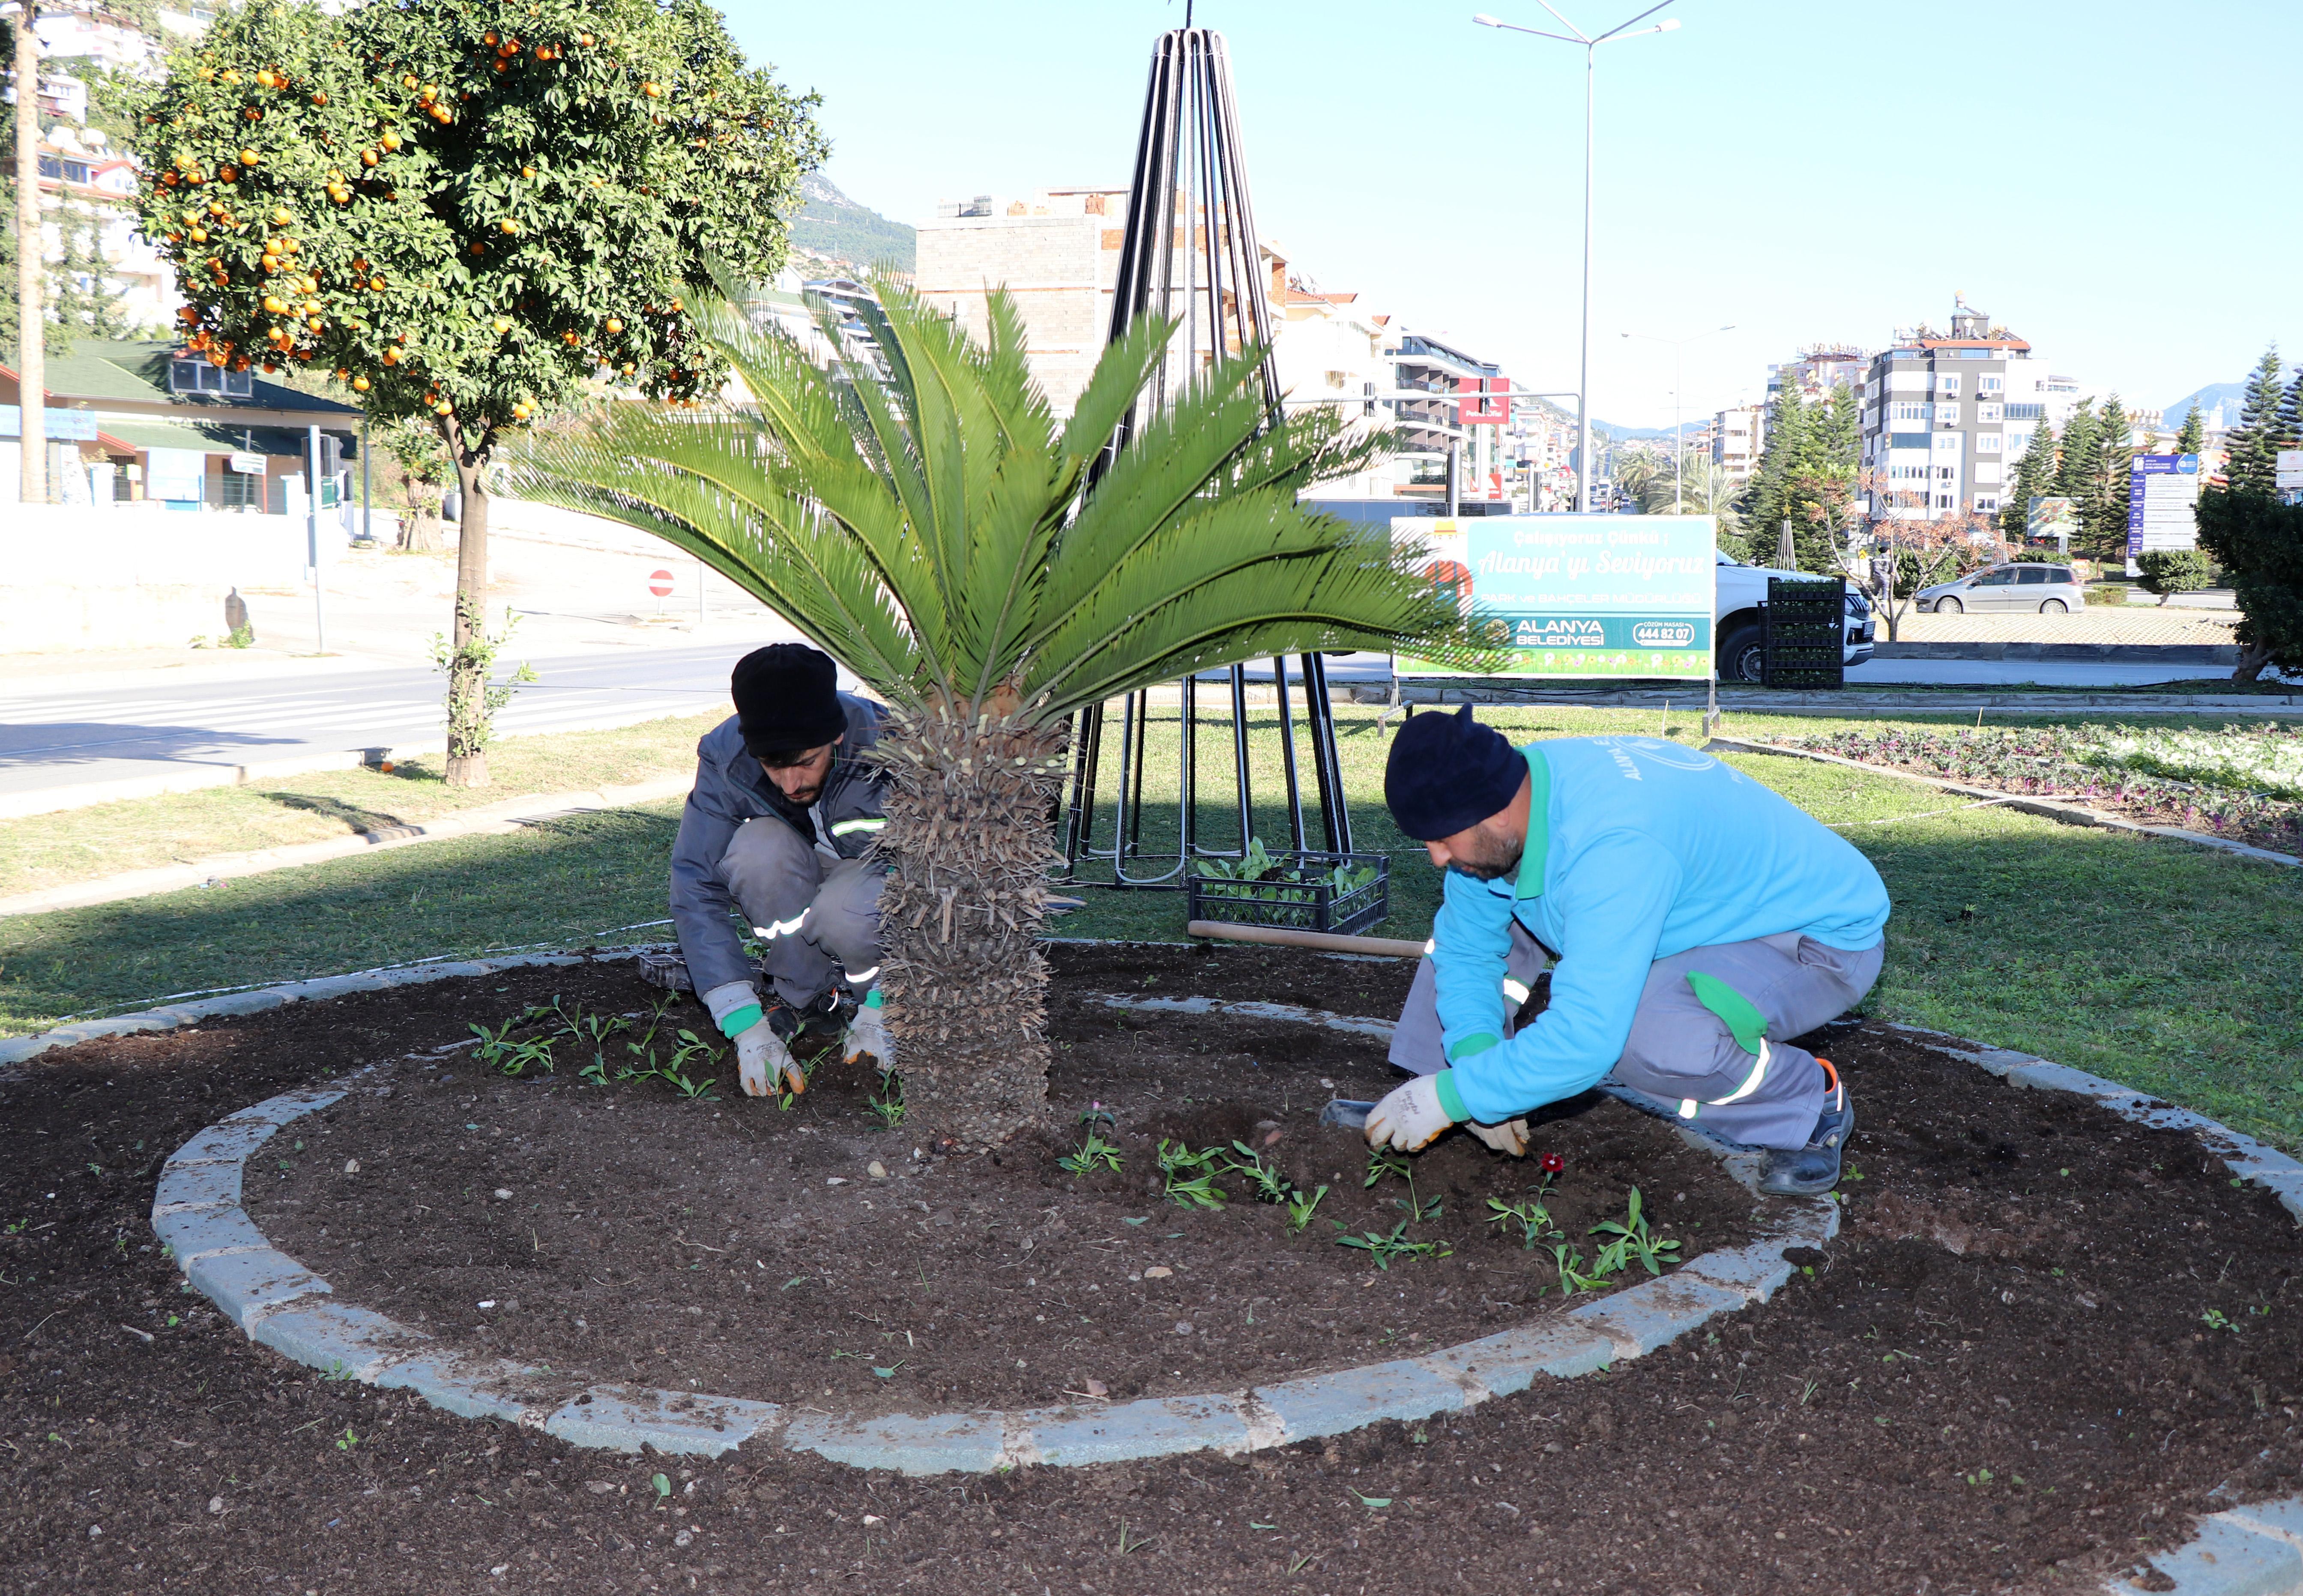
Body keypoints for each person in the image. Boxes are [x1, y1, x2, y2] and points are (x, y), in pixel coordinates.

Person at [1364, 707, 1890, 1196]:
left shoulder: (1613, 849)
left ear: (1498, 814)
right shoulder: (1515, 799)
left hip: (1812, 938)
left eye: (1441, 838)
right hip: (1692, 903)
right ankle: (1441, 1091)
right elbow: (1467, 948)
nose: (1435, 858)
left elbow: (1586, 1039)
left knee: (1647, 1036)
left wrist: (1454, 1099)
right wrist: (1476, 1078)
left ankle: (1807, 1104)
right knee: (1466, 923)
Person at [668, 643, 892, 1100]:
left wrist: (886, 1003)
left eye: (806, 763)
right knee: (756, 852)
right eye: (774, 765)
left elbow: (941, 879)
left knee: (845, 911)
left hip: (872, 881)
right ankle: (808, 1000)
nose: (791, 784)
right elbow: (696, 883)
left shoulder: (893, 747)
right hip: (798, 866)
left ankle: (878, 1013)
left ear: (835, 737)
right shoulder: (726, 756)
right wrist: (744, 1024)